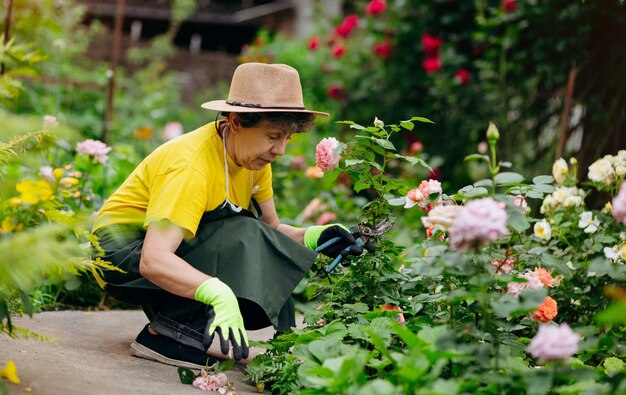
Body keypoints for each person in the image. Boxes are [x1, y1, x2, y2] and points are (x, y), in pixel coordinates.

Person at [92, 63, 374, 369]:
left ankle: (176, 321)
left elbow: (271, 230)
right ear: (236, 121)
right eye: (273, 136)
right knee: (241, 232)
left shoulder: (255, 161)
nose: (279, 150)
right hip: (120, 255)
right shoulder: (191, 167)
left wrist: (316, 235)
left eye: (287, 138)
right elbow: (154, 259)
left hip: (164, 249)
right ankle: (170, 334)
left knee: (249, 232)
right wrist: (217, 293)